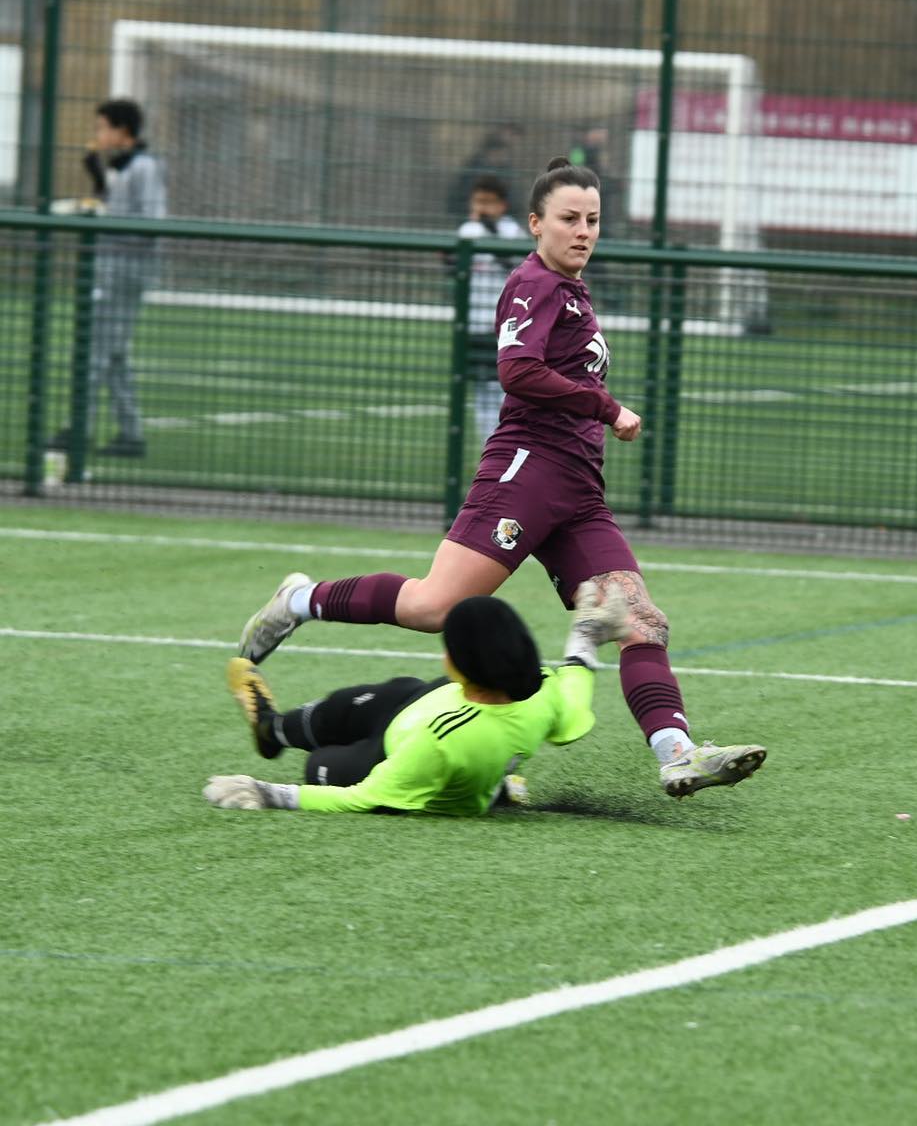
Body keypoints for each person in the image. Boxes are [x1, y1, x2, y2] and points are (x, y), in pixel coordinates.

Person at [238, 157, 767, 800]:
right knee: (434, 608)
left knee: (641, 620)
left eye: (593, 219)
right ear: (536, 223)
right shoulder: (533, 283)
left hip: (578, 491)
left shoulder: (571, 289)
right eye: (569, 219)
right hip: (527, 472)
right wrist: (606, 407)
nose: (583, 231)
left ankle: (678, 754)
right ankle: (301, 600)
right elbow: (517, 370)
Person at [206, 583, 626, 815]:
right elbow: (574, 689)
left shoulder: (442, 741)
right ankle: (271, 729)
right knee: (347, 706)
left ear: (464, 664)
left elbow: (364, 797)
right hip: (417, 701)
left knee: (317, 765)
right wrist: (587, 633)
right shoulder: (542, 691)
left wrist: (268, 793)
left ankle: (493, 789)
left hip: (390, 753)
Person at [49, 98, 167, 459]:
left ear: (123, 131)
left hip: (127, 271)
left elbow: (149, 223)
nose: (97, 134)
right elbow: (113, 206)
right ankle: (131, 435)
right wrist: (98, 181)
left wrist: (104, 218)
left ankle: (79, 427)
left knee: (97, 351)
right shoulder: (121, 167)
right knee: (114, 354)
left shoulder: (144, 168)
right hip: (111, 267)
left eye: (102, 127)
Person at [456, 174, 526, 442]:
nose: (482, 207)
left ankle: (506, 442)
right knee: (481, 388)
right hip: (474, 323)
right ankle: (488, 445)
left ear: (502, 205)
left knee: (502, 387)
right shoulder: (467, 231)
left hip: (503, 326)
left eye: (489, 202)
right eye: (478, 202)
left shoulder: (512, 232)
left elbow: (516, 266)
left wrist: (490, 231)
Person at [445, 124, 522, 223]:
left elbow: (512, 198)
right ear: (491, 153)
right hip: (471, 215)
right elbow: (464, 195)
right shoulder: (475, 168)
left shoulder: (504, 169)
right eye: (500, 153)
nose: (504, 157)